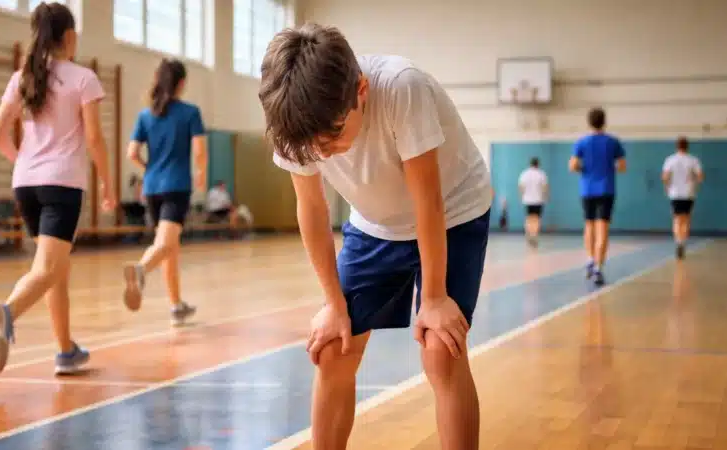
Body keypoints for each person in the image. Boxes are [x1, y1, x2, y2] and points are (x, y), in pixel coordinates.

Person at [259, 23, 492, 450]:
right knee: (333, 348)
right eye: (311, 144)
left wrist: (435, 298)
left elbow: (428, 201)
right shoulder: (292, 119)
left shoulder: (403, 89)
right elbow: (312, 209)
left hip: (454, 211)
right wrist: (333, 305)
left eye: (332, 134)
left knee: (442, 349)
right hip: (375, 223)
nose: (321, 151)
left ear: (361, 91)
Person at [0, 2, 115, 375]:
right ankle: (6, 314)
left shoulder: (22, 77)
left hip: (26, 184)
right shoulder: (83, 78)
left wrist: (23, 164)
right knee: (48, 269)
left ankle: (65, 350)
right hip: (62, 185)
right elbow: (94, 138)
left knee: (56, 268)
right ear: (70, 37)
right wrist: (107, 181)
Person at [122, 58, 207, 326]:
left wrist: (149, 169)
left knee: (170, 247)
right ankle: (140, 271)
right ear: (181, 83)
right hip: (176, 186)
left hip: (152, 188)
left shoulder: (146, 116)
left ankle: (176, 305)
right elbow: (200, 151)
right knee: (166, 245)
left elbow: (132, 153)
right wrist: (201, 173)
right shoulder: (190, 113)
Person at [569, 107, 626, 286]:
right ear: (604, 121)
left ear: (589, 122)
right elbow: (622, 166)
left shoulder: (581, 142)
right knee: (603, 229)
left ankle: (590, 259)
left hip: (587, 190)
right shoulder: (613, 142)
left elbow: (573, 166)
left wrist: (584, 170)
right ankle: (598, 269)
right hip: (606, 189)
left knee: (589, 226)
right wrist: (608, 169)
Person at [662, 136, 703, 259]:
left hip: (675, 193)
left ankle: (678, 242)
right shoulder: (693, 160)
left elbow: (664, 177)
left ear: (677, 146)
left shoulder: (670, 159)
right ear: (687, 146)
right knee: (686, 219)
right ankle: (683, 243)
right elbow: (700, 177)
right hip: (688, 193)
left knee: (676, 219)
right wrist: (693, 181)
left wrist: (668, 186)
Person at [518, 157, 548, 246]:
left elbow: (521, 186)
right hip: (538, 200)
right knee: (536, 219)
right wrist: (545, 196)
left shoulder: (525, 173)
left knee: (529, 218)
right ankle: (534, 235)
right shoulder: (541, 174)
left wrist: (522, 196)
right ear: (538, 164)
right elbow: (545, 187)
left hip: (527, 200)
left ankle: (528, 234)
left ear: (530, 164)